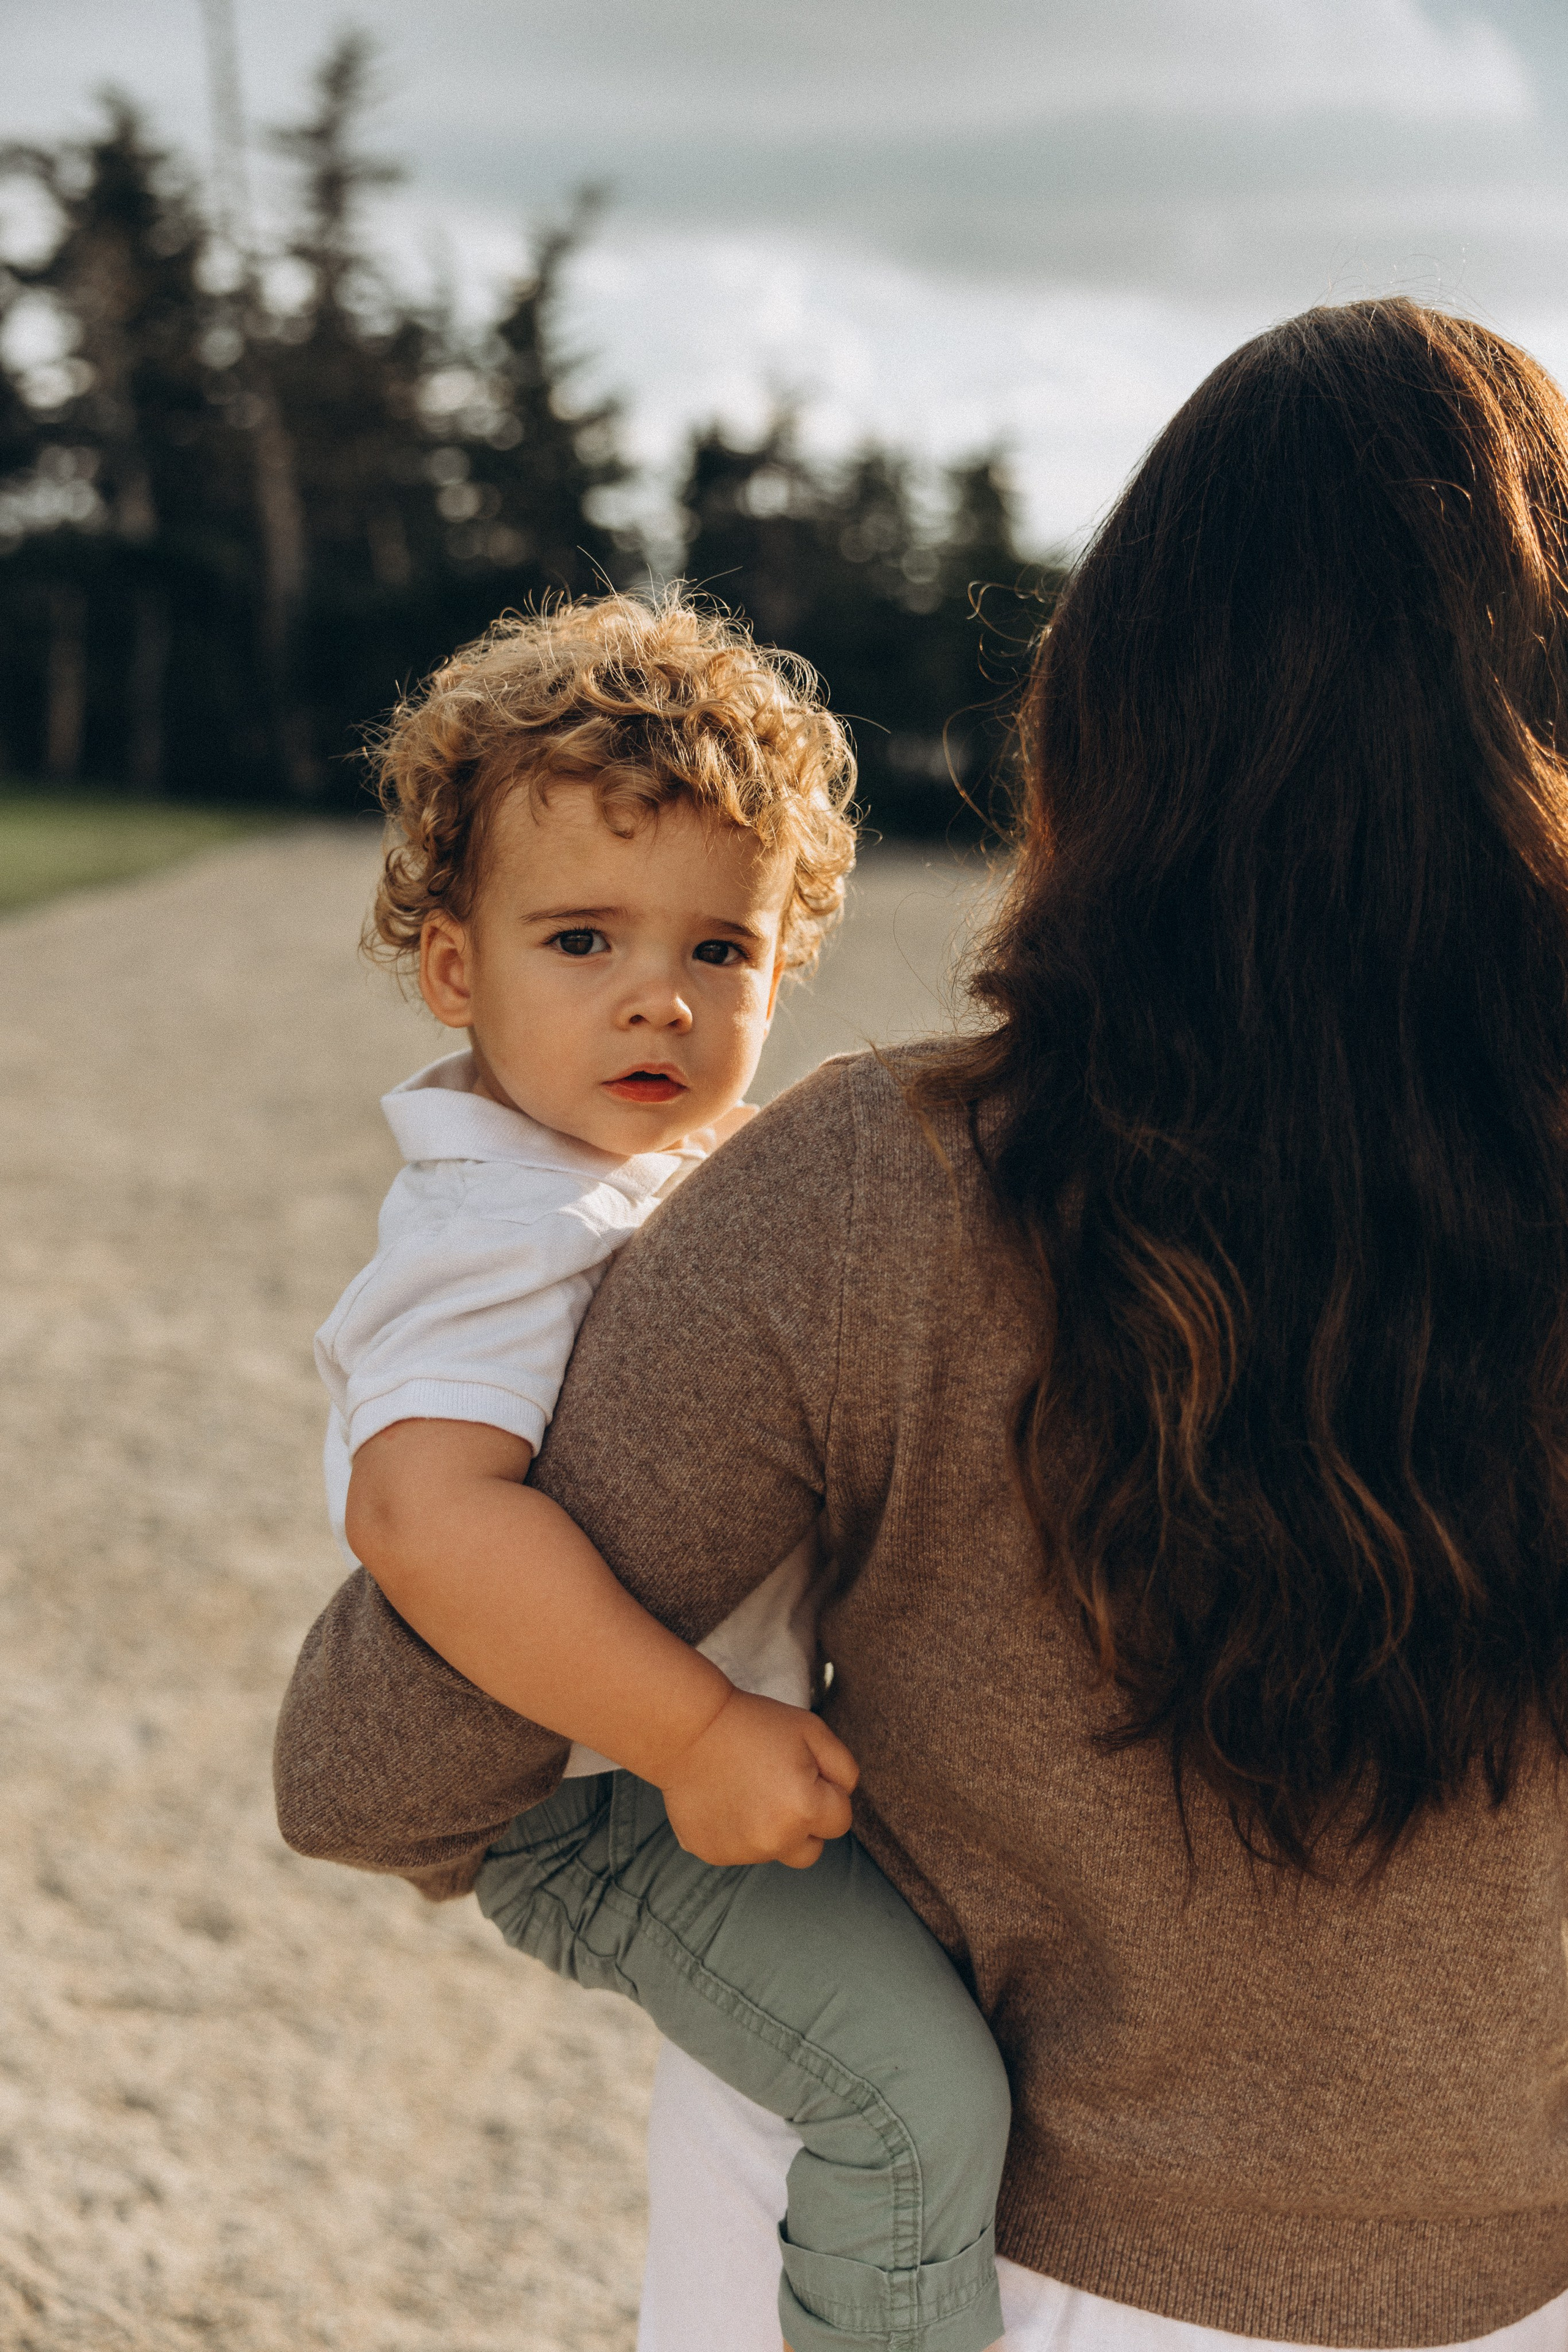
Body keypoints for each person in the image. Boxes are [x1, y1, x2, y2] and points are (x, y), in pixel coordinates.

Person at [276, 299, 1568, 2348]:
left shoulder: (879, 1189)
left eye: (716, 944)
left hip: (1003, 2266)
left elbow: (370, 1765)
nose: (659, 996)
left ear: (1118, 714)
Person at [305, 590, 1011, 2352]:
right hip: (596, 1800)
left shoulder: (671, 1174)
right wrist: (693, 1733)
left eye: (721, 954)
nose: (659, 1001)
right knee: (909, 2106)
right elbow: (421, 1513)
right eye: (581, 942)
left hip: (697, 1741)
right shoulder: (498, 1219)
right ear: (454, 967)